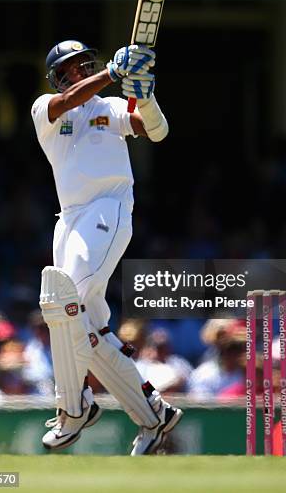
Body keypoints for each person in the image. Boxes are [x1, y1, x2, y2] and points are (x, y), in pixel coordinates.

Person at [31, 40, 182, 454]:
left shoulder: (110, 107)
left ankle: (73, 409)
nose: (82, 72)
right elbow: (67, 101)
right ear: (60, 77)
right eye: (74, 68)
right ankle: (154, 415)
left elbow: (156, 130)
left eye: (86, 65)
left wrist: (144, 97)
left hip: (107, 209)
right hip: (69, 221)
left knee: (65, 304)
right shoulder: (46, 108)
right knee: (88, 329)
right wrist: (114, 74)